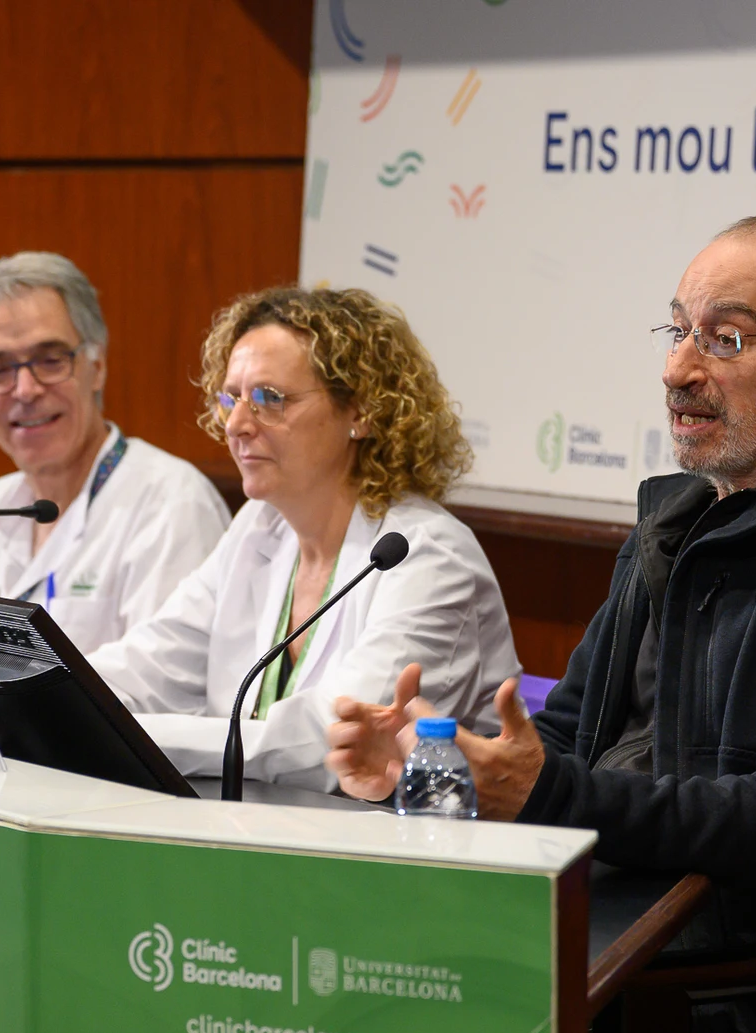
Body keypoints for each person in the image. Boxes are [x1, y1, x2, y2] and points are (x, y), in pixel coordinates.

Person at [327, 213, 756, 1033]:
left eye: (726, 339)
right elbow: (570, 737)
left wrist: (546, 793)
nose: (679, 368)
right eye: (678, 330)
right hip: (628, 947)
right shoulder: (674, 522)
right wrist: (441, 765)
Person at [88, 287, 520, 789]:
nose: (237, 425)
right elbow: (148, 664)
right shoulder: (259, 527)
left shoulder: (428, 555)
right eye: (231, 398)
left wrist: (127, 735)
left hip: (410, 852)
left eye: (270, 399)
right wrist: (58, 700)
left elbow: (334, 741)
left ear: (360, 411)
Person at [0, 253, 230, 654]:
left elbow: (165, 684)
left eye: (51, 360)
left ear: (97, 364)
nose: (25, 390)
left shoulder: (171, 503)